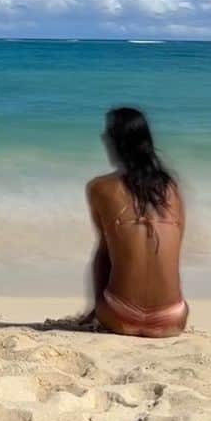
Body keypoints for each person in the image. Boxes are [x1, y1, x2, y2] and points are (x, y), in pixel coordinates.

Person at [82, 106, 187, 337]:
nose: (103, 137)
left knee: (106, 250)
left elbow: (106, 253)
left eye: (107, 133)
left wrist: (97, 307)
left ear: (116, 141)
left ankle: (101, 309)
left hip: (119, 315)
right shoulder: (171, 189)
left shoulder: (100, 188)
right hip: (172, 317)